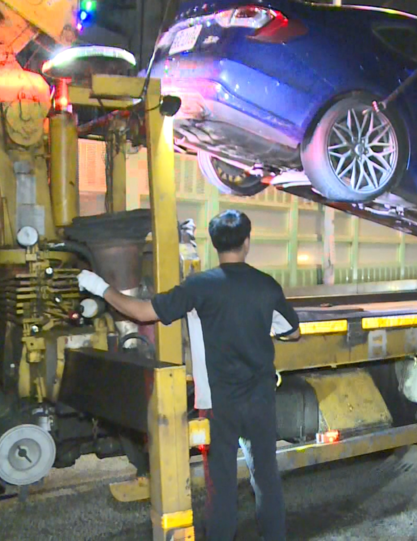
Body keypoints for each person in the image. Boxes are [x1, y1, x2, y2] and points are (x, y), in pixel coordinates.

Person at [77, 210, 300, 541]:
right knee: (267, 479)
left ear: (214, 244)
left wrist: (99, 286)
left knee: (221, 488)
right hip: (261, 400)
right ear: (247, 242)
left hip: (218, 404)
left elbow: (141, 311)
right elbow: (293, 332)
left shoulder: (199, 287)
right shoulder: (266, 285)